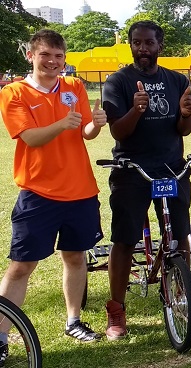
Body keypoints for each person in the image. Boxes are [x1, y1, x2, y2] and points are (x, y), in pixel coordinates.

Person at [0, 29, 107, 351]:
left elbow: (85, 132)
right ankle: (1, 335)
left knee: (75, 258)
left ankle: (73, 320)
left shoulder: (74, 86)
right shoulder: (14, 92)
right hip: (38, 192)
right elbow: (31, 137)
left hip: (81, 191)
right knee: (21, 266)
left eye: (59, 56)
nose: (53, 62)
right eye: (45, 55)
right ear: (31, 56)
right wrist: (62, 123)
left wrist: (97, 124)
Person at [102, 20, 191, 340]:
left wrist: (186, 115)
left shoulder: (176, 80)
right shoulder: (118, 81)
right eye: (137, 43)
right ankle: (116, 311)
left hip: (171, 169)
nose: (143, 49)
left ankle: (182, 296)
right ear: (131, 45)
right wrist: (136, 110)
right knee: (126, 240)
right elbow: (118, 131)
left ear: (160, 46)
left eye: (149, 43)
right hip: (132, 171)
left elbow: (183, 130)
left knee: (180, 235)